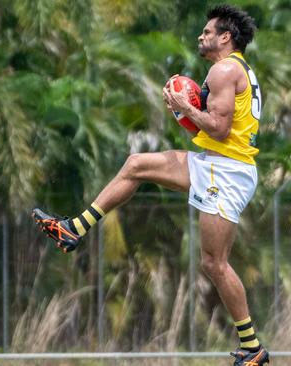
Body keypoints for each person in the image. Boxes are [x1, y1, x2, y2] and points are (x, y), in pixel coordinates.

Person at [32, 5, 268, 365]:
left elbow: (217, 129)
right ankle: (74, 229)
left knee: (214, 263)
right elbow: (212, 128)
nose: (200, 37)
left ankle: (252, 348)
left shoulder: (224, 69)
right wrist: (185, 111)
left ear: (226, 36)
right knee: (136, 165)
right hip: (213, 163)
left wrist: (182, 106)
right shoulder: (235, 71)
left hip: (228, 172)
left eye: (207, 32)